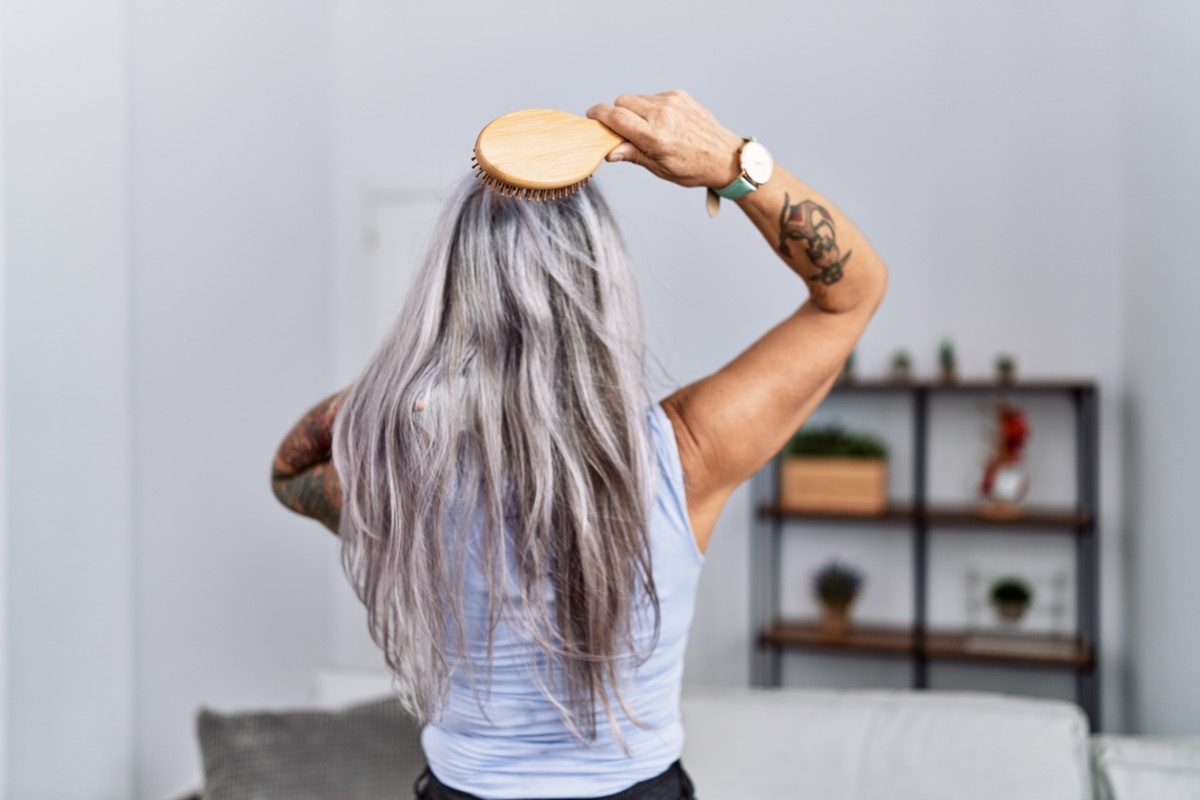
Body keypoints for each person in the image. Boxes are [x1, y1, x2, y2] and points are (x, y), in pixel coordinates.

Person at [271, 90, 888, 800]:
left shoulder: (398, 469)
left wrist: (397, 387)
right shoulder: (681, 456)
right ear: (603, 288)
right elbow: (852, 292)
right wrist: (731, 163)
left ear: (450, 293)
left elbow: (292, 472)